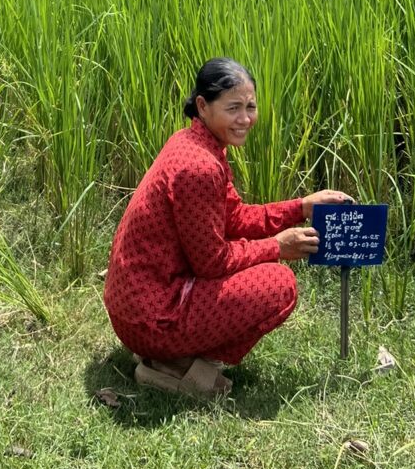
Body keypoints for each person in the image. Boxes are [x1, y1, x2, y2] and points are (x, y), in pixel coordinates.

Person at [103, 57, 351, 396]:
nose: (246, 118)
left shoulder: (195, 144)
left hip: (139, 305)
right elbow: (212, 263)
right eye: (233, 107)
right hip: (151, 318)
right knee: (280, 285)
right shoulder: (199, 167)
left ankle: (172, 353)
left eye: (250, 106)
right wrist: (277, 247)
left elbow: (234, 218)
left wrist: (301, 207)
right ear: (203, 106)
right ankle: (170, 363)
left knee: (266, 271)